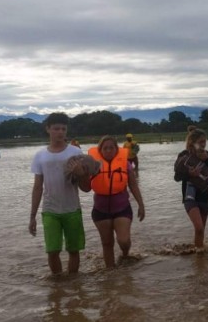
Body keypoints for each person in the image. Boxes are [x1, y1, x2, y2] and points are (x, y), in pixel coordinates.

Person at [29, 112, 88, 275]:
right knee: (52, 251)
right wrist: (32, 216)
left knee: (74, 250)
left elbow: (86, 187)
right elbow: (37, 187)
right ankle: (57, 282)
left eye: (63, 129)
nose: (60, 132)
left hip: (72, 209)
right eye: (56, 128)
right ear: (48, 129)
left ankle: (71, 286)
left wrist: (81, 173)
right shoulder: (40, 155)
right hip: (50, 210)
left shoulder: (75, 152)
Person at [83, 135, 145, 268]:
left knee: (123, 240)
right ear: (100, 150)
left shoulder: (125, 164)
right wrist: (81, 174)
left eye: (112, 148)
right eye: (105, 148)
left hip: (122, 208)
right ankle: (111, 275)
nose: (109, 150)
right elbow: (86, 188)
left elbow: (133, 185)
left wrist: (141, 205)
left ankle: (125, 254)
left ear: (117, 149)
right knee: (107, 243)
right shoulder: (93, 165)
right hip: (100, 211)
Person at [174, 127, 208, 251]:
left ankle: (199, 260)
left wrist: (207, 160)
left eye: (205, 141)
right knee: (198, 227)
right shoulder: (184, 155)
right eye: (201, 142)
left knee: (201, 230)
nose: (203, 144)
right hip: (190, 195)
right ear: (192, 142)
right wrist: (189, 174)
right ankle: (198, 254)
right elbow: (177, 177)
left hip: (205, 195)